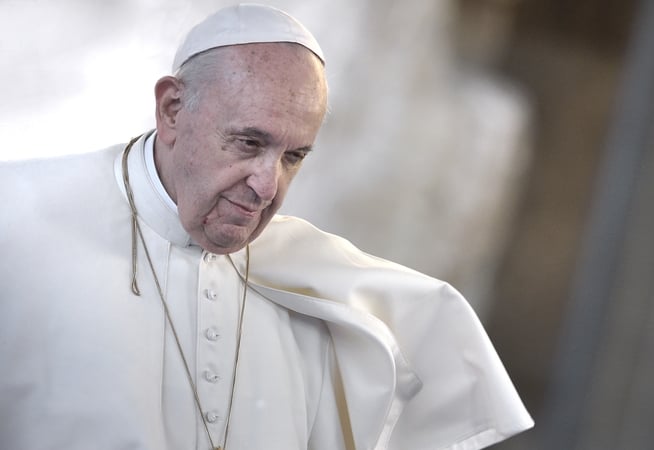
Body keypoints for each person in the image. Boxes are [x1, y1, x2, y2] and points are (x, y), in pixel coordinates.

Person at [0, 4, 532, 450]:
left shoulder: (323, 288)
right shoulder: (16, 219)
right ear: (172, 110)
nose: (267, 185)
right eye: (249, 143)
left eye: (293, 157)